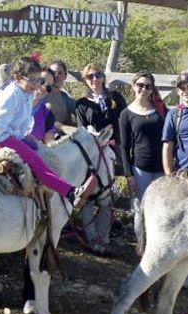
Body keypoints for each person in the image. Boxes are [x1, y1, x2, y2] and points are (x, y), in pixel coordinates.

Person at [0, 57, 97, 314]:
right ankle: (69, 191)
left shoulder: (29, 98)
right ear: (18, 78)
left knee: (39, 154)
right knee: (38, 162)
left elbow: (25, 126)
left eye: (42, 82)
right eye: (34, 81)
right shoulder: (12, 95)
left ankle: (32, 298)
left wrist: (29, 138)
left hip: (14, 135)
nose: (38, 86)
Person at [74, 63, 127, 253]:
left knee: (107, 195)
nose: (94, 80)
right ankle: (92, 237)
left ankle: (103, 237)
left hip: (113, 150)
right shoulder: (82, 103)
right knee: (88, 193)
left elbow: (124, 122)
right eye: (90, 77)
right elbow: (81, 127)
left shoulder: (116, 98)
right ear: (85, 81)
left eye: (97, 75)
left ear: (103, 77)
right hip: (92, 152)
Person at [119, 72, 167, 249]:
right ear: (133, 86)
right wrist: (128, 174)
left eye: (148, 86)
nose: (144, 89)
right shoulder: (126, 114)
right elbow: (123, 147)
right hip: (140, 168)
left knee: (162, 209)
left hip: (162, 167)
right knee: (141, 209)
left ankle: (158, 246)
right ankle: (142, 246)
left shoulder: (161, 110)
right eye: (140, 85)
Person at [46, 60, 77, 133]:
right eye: (53, 73)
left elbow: (80, 109)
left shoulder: (65, 97)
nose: (56, 76)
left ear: (65, 76)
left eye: (60, 73)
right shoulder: (41, 95)